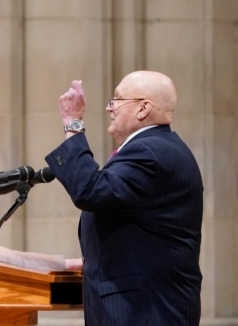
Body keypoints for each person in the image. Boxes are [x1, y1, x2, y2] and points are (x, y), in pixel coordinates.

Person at [45, 71, 203, 325]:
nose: (110, 108)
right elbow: (140, 230)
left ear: (143, 108)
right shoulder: (157, 148)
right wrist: (94, 261)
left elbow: (90, 191)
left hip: (146, 312)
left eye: (117, 100)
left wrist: (73, 123)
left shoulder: (151, 152)